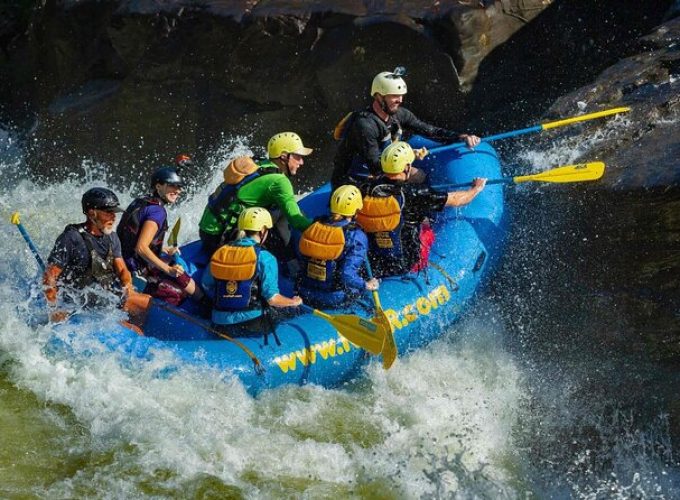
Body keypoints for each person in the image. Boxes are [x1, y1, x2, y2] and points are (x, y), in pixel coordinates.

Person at [331, 67, 481, 188]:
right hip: (354, 179)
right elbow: (376, 166)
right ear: (378, 96)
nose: (400, 100)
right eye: (394, 96)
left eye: (401, 95)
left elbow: (430, 131)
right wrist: (408, 157)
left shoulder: (400, 114)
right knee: (416, 176)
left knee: (419, 176)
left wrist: (460, 137)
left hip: (382, 169)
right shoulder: (364, 125)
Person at [357, 141, 487, 277]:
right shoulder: (414, 193)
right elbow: (457, 200)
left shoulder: (365, 188)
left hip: (373, 260)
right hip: (402, 263)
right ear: (407, 167)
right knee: (426, 227)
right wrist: (475, 189)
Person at [198, 132, 314, 257]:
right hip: (222, 240)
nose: (301, 162)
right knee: (281, 211)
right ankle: (288, 259)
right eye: (297, 156)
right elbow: (296, 221)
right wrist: (320, 226)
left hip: (207, 233)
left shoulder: (259, 163)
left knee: (277, 207)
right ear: (284, 156)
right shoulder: (280, 182)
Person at [43, 188, 150, 323]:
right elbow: (49, 276)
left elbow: (122, 269)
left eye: (114, 213)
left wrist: (128, 287)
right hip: (77, 299)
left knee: (143, 304)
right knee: (145, 304)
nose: (113, 217)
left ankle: (137, 325)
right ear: (91, 213)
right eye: (108, 212)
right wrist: (54, 309)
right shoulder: (71, 238)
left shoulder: (112, 236)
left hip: (103, 295)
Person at [201, 207, 303, 334]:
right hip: (252, 323)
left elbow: (206, 284)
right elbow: (273, 299)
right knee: (290, 313)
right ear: (262, 231)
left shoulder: (221, 252)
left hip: (219, 323)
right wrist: (293, 302)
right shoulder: (265, 257)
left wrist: (229, 300)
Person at [117, 166, 204, 306]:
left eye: (179, 187)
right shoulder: (157, 212)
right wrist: (168, 269)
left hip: (125, 261)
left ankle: (202, 300)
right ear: (158, 186)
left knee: (177, 269)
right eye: (172, 186)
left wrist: (163, 249)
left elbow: (134, 236)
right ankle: (203, 306)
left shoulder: (141, 201)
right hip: (136, 272)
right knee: (177, 294)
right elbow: (141, 247)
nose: (178, 191)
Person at [297, 185, 379, 308]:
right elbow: (347, 275)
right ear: (356, 210)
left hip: (304, 292)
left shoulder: (315, 225)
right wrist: (366, 285)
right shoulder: (355, 236)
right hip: (334, 298)